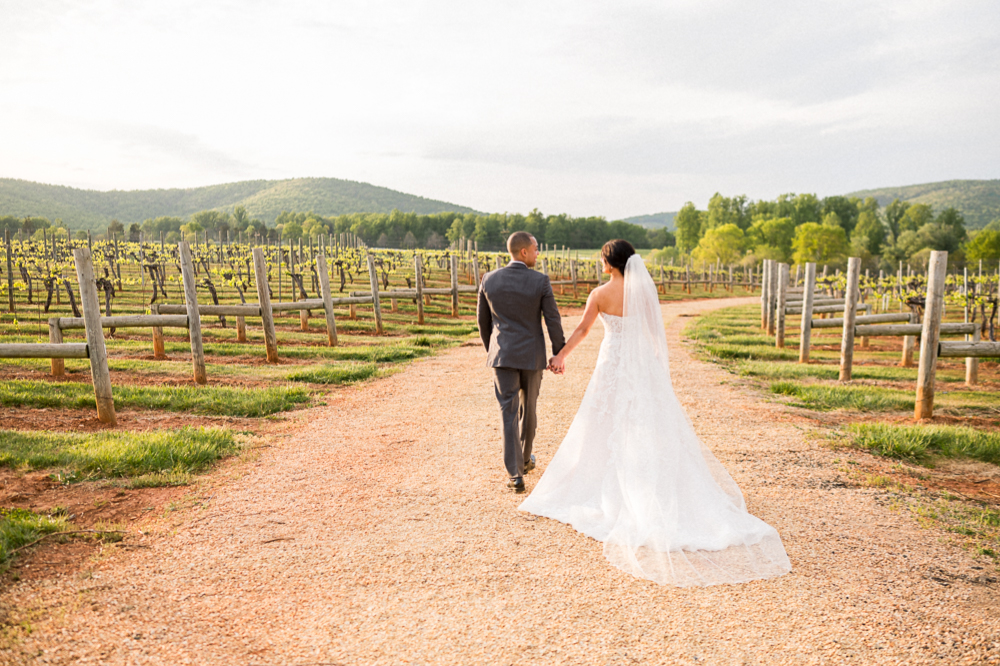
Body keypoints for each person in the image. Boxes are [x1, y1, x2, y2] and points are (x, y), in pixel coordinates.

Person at [521, 239, 791, 587]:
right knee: (648, 424)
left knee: (603, 424)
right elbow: (653, 334)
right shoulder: (645, 294)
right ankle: (652, 480)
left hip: (612, 365)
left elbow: (584, 330)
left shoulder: (600, 294)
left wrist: (561, 356)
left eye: (602, 259)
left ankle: (605, 481)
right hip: (641, 368)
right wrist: (655, 369)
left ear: (609, 262)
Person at [477, 231, 566, 494]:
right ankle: (525, 460)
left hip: (502, 355)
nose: (538, 253)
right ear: (524, 252)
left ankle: (515, 475)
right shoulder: (540, 281)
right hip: (532, 356)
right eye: (536, 248)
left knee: (508, 412)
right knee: (530, 408)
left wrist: (493, 350)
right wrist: (558, 353)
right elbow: (553, 320)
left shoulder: (489, 279)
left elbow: (483, 322)